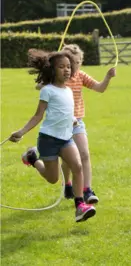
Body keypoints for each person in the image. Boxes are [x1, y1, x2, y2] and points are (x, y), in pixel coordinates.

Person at [9, 49, 96, 222]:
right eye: (62, 67)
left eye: (69, 67)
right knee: (53, 178)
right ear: (52, 70)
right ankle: (33, 159)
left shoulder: (69, 91)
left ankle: (80, 206)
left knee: (77, 166)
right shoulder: (47, 91)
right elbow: (38, 116)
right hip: (48, 139)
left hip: (66, 139)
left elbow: (65, 110)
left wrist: (72, 120)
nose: (67, 70)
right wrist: (21, 132)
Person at [36, 44, 116, 204]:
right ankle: (68, 184)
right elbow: (40, 87)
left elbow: (99, 88)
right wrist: (45, 81)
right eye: (71, 63)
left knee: (84, 154)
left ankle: (87, 190)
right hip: (59, 125)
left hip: (76, 123)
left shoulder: (80, 75)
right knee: (67, 161)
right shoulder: (56, 79)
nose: (74, 66)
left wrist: (107, 77)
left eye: (78, 62)